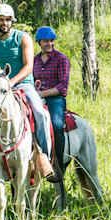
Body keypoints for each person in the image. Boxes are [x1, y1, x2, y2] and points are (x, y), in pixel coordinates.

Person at [0, 3, 58, 183]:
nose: (4, 23)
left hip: (22, 85)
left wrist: (11, 82)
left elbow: (28, 66)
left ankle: (43, 157)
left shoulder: (22, 38)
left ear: (12, 21)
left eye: (8, 20)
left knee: (40, 113)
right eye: (1, 20)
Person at [31, 26, 69, 182]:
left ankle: (57, 165)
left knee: (57, 124)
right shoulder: (34, 60)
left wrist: (43, 94)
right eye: (46, 41)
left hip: (55, 99)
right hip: (36, 96)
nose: (50, 44)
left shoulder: (62, 59)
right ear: (39, 42)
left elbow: (63, 86)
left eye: (52, 40)